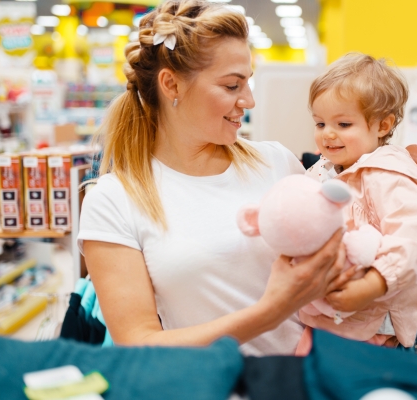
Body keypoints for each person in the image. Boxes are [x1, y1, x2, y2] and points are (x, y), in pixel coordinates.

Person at [77, 0, 352, 356]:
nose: (249, 100)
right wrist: (269, 313)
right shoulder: (114, 200)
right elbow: (139, 343)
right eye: (232, 86)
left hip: (301, 382)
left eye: (248, 83)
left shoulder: (275, 163)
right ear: (171, 85)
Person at [297, 53, 417, 354]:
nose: (328, 133)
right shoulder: (325, 169)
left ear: (382, 125)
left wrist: (373, 285)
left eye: (343, 123)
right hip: (323, 316)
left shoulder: (391, 176)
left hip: (371, 322)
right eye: (320, 122)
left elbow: (412, 242)